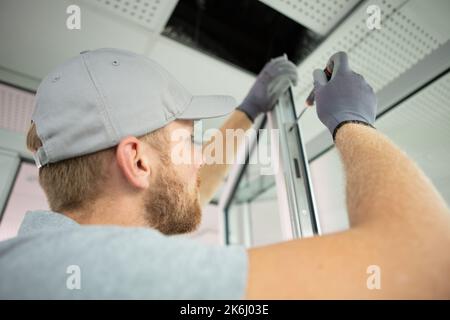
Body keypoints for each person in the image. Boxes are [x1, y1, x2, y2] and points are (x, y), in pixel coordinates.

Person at [0, 49, 449, 299]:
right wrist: (353, 124)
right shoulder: (99, 274)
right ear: (136, 162)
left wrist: (249, 110)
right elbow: (429, 263)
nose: (199, 158)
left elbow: (183, 193)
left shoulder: (45, 262)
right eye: (187, 142)